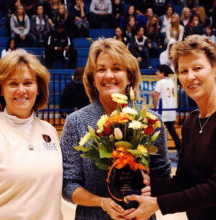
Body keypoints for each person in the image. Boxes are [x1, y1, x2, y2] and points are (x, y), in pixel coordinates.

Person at [125, 35, 216, 220]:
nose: (190, 77)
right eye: (183, 71)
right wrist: (147, 182)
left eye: (197, 68)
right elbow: (184, 182)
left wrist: (158, 204)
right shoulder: (191, 122)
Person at [60, 38, 171, 219]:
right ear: (93, 79)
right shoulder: (76, 122)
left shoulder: (151, 121)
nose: (109, 75)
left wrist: (153, 190)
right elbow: (68, 186)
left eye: (116, 68)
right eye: (101, 69)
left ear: (129, 77)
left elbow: (164, 178)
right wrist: (102, 202)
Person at [0, 49, 63, 219]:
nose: (21, 90)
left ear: (38, 88)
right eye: (13, 84)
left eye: (28, 83)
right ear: (0, 89)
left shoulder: (49, 131)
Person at [152, 64, 181, 155]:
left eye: (158, 71)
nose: (156, 73)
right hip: (171, 110)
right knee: (172, 131)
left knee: (158, 132)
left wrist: (155, 106)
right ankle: (180, 148)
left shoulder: (160, 82)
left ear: (162, 73)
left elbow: (156, 96)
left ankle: (159, 151)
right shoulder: (172, 82)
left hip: (162, 110)